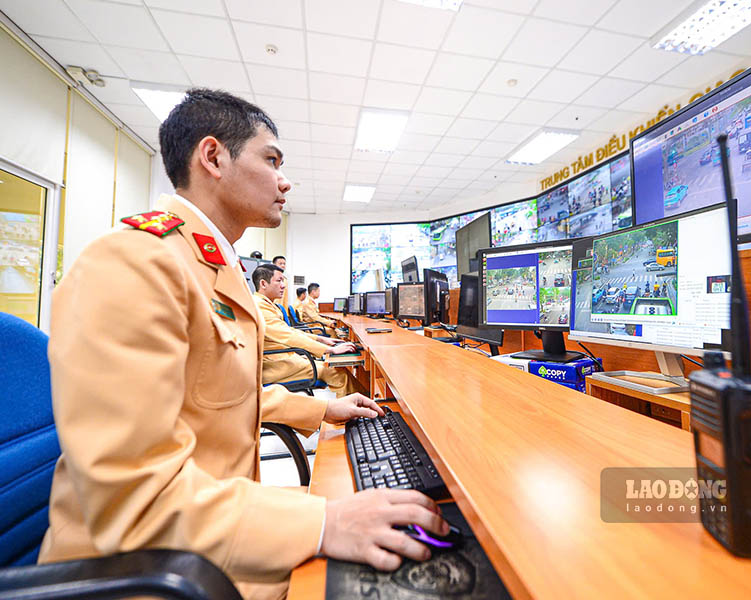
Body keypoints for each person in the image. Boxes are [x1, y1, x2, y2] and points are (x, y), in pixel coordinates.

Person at [39, 88, 447, 599]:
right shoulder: (133, 264)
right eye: (271, 159)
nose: (285, 179)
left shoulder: (211, 263)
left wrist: (322, 411)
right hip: (153, 573)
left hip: (205, 536)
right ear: (213, 157)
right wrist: (324, 523)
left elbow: (221, 393)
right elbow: (135, 502)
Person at [252, 264, 358, 397]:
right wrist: (329, 350)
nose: (283, 285)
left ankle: (365, 408)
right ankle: (352, 415)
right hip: (275, 365)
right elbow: (288, 335)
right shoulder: (260, 306)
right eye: (279, 281)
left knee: (332, 365)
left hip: (282, 358)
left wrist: (320, 339)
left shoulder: (266, 304)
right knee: (337, 373)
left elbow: (290, 330)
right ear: (263, 283)